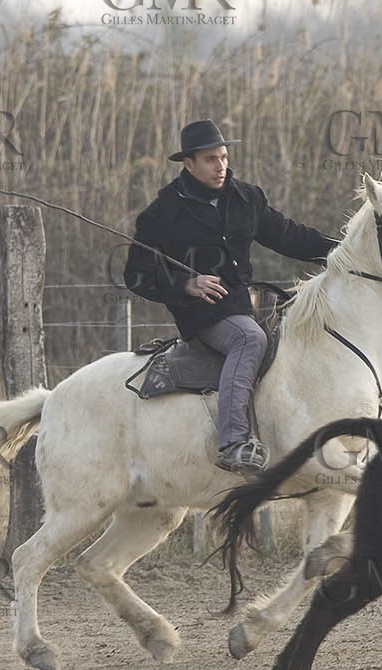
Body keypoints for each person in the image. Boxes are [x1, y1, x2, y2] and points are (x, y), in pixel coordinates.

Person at [124, 120, 337, 473]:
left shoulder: (246, 197)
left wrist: (342, 252)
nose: (220, 166)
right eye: (210, 159)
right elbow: (135, 273)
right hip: (202, 313)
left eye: (223, 157)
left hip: (244, 302)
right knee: (249, 338)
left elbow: (288, 236)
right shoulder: (162, 214)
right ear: (188, 164)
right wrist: (185, 284)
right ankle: (234, 442)